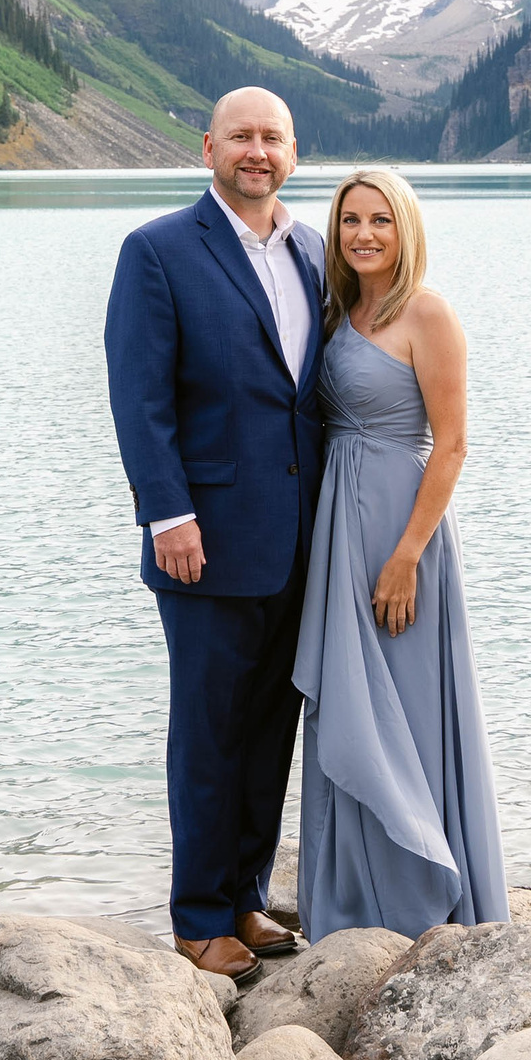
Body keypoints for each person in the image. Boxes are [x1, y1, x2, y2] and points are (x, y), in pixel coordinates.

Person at [103, 86, 323, 983]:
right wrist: (169, 513)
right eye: (241, 136)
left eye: (273, 137)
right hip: (204, 539)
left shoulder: (313, 250)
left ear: (294, 153)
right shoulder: (157, 251)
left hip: (302, 539)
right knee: (208, 730)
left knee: (271, 728)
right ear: (208, 148)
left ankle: (246, 898)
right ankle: (197, 916)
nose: (257, 150)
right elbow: (139, 396)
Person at [293, 167, 507, 942]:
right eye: (350, 220)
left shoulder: (428, 313)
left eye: (380, 220)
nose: (363, 234)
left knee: (409, 711)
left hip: (399, 531)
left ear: (405, 227)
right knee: (346, 709)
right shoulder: (338, 310)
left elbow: (451, 446)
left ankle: (429, 888)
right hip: (336, 533)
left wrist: (407, 554)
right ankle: (352, 902)